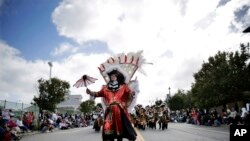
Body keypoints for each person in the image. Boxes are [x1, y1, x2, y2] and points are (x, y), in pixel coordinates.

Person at [86, 70, 137, 141]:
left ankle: (120, 139)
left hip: (120, 110)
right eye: (111, 75)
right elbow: (97, 94)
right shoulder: (105, 88)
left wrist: (132, 93)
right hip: (110, 111)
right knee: (108, 127)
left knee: (121, 127)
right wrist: (90, 92)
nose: (112, 76)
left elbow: (130, 94)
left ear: (118, 77)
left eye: (114, 75)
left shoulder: (124, 87)